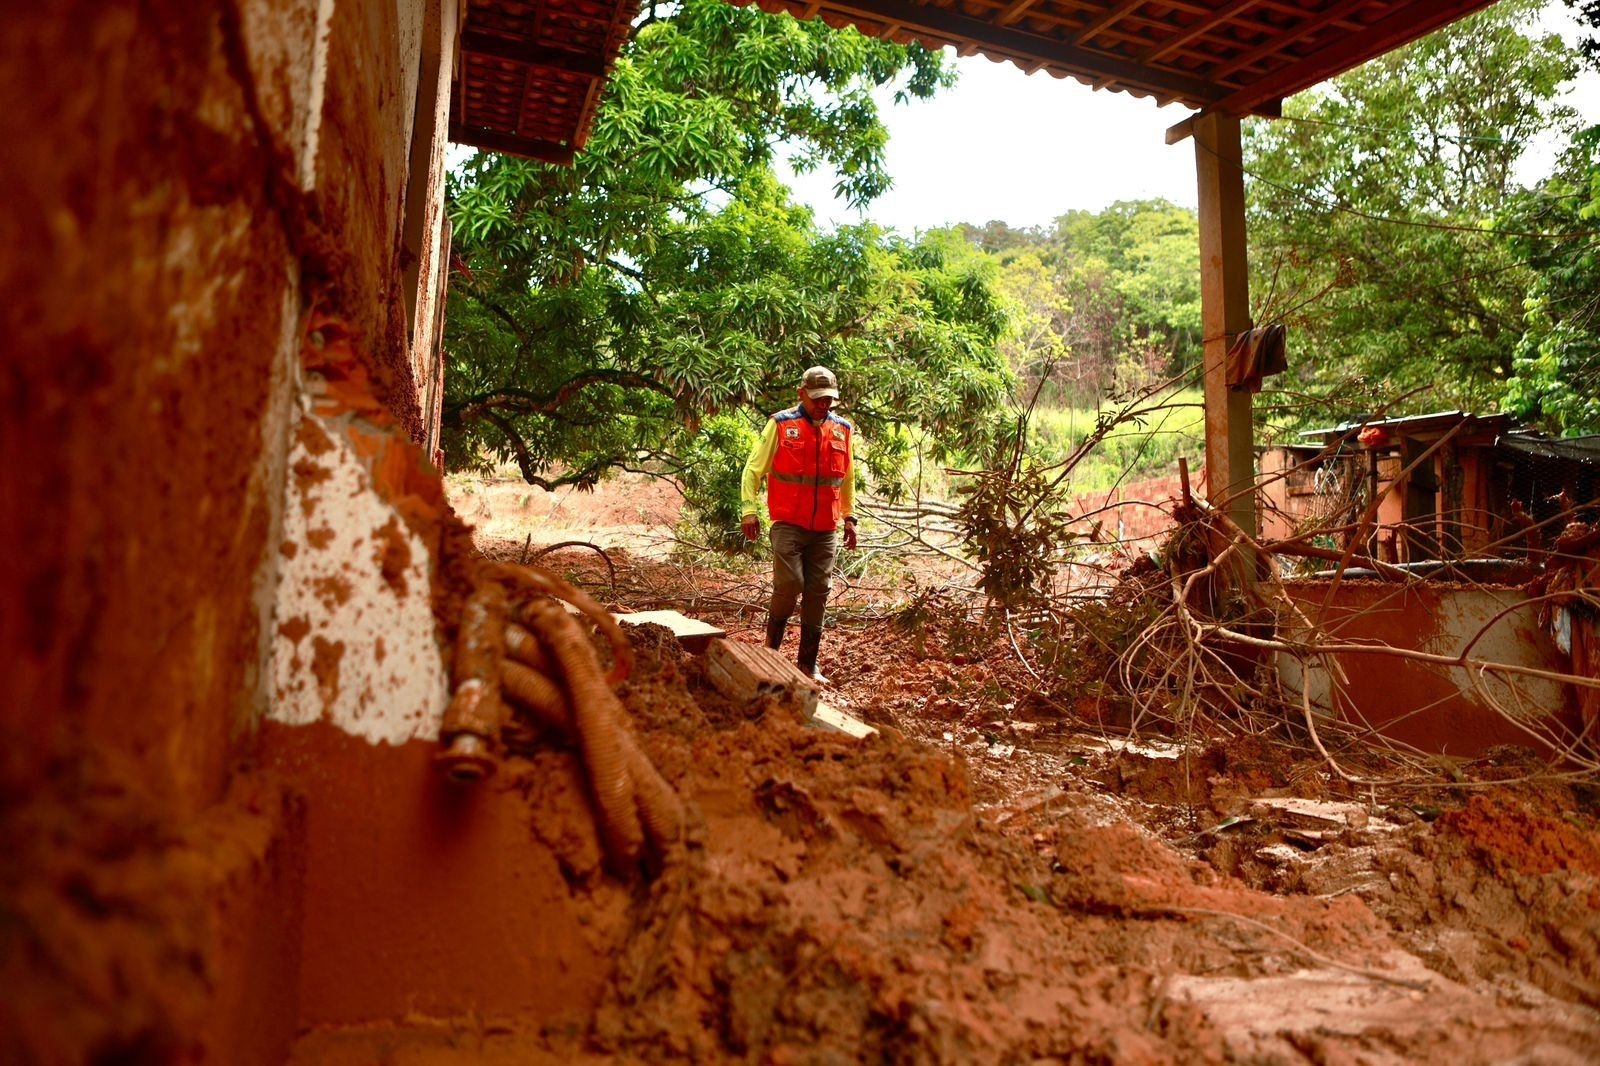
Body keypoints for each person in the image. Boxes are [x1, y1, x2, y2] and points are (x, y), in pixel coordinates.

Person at [741, 366, 858, 681]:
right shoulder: (780, 425)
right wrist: (748, 509)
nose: (823, 404)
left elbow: (846, 477)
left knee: (819, 590)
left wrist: (849, 516)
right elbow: (753, 470)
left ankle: (808, 664)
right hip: (788, 523)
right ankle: (770, 651)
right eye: (817, 398)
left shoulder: (842, 429)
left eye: (829, 399)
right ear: (802, 394)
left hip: (825, 528)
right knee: (791, 584)